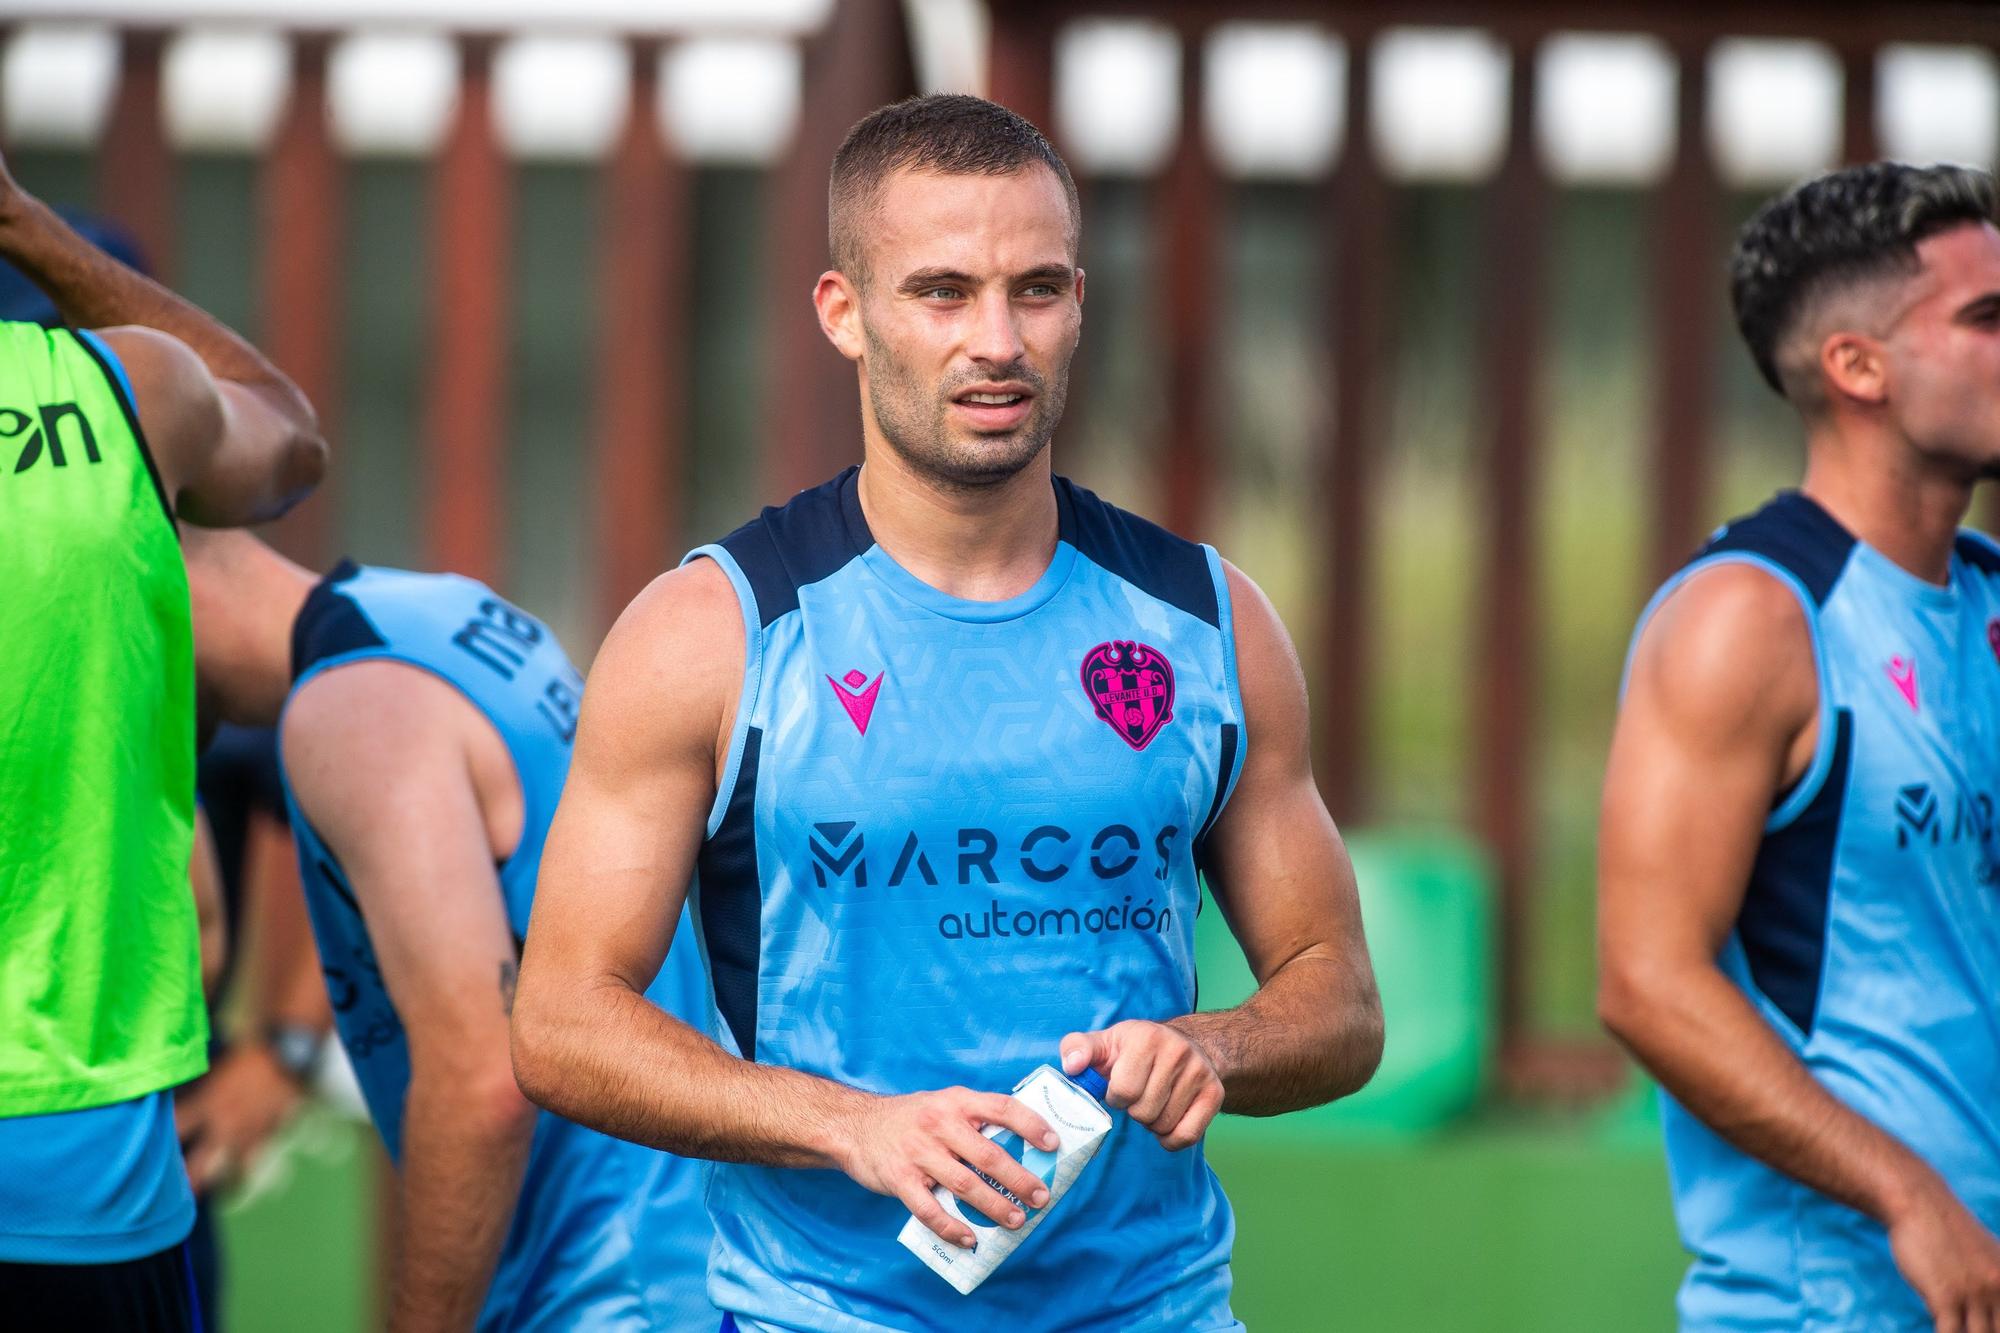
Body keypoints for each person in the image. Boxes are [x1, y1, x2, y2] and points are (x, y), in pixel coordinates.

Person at [512, 93, 1383, 1331]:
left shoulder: (1206, 622)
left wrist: (1216, 1046)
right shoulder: (713, 633)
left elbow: (1339, 996)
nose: (996, 340)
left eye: (1034, 290)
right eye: (939, 292)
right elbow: (558, 1021)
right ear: (844, 314)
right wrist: (848, 1126)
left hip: (1157, 1307)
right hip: (819, 1310)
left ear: (1079, 302)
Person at [1599, 162, 2000, 1333]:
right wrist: (1910, 1197)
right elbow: (1645, 982)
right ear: (1855, 367)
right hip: (1820, 1305)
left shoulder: (1983, 604)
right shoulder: (1749, 619)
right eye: (1983, 319)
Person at [183, 528, 715, 1330]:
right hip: (686, 1245)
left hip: (603, 1285)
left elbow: (480, 1083)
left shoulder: (352, 703)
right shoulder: (435, 608)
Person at [0, 157, 325, 1331]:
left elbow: (296, 796)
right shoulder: (118, 398)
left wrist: (279, 1049)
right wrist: (28, 222)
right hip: (79, 1157)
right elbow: (286, 431)